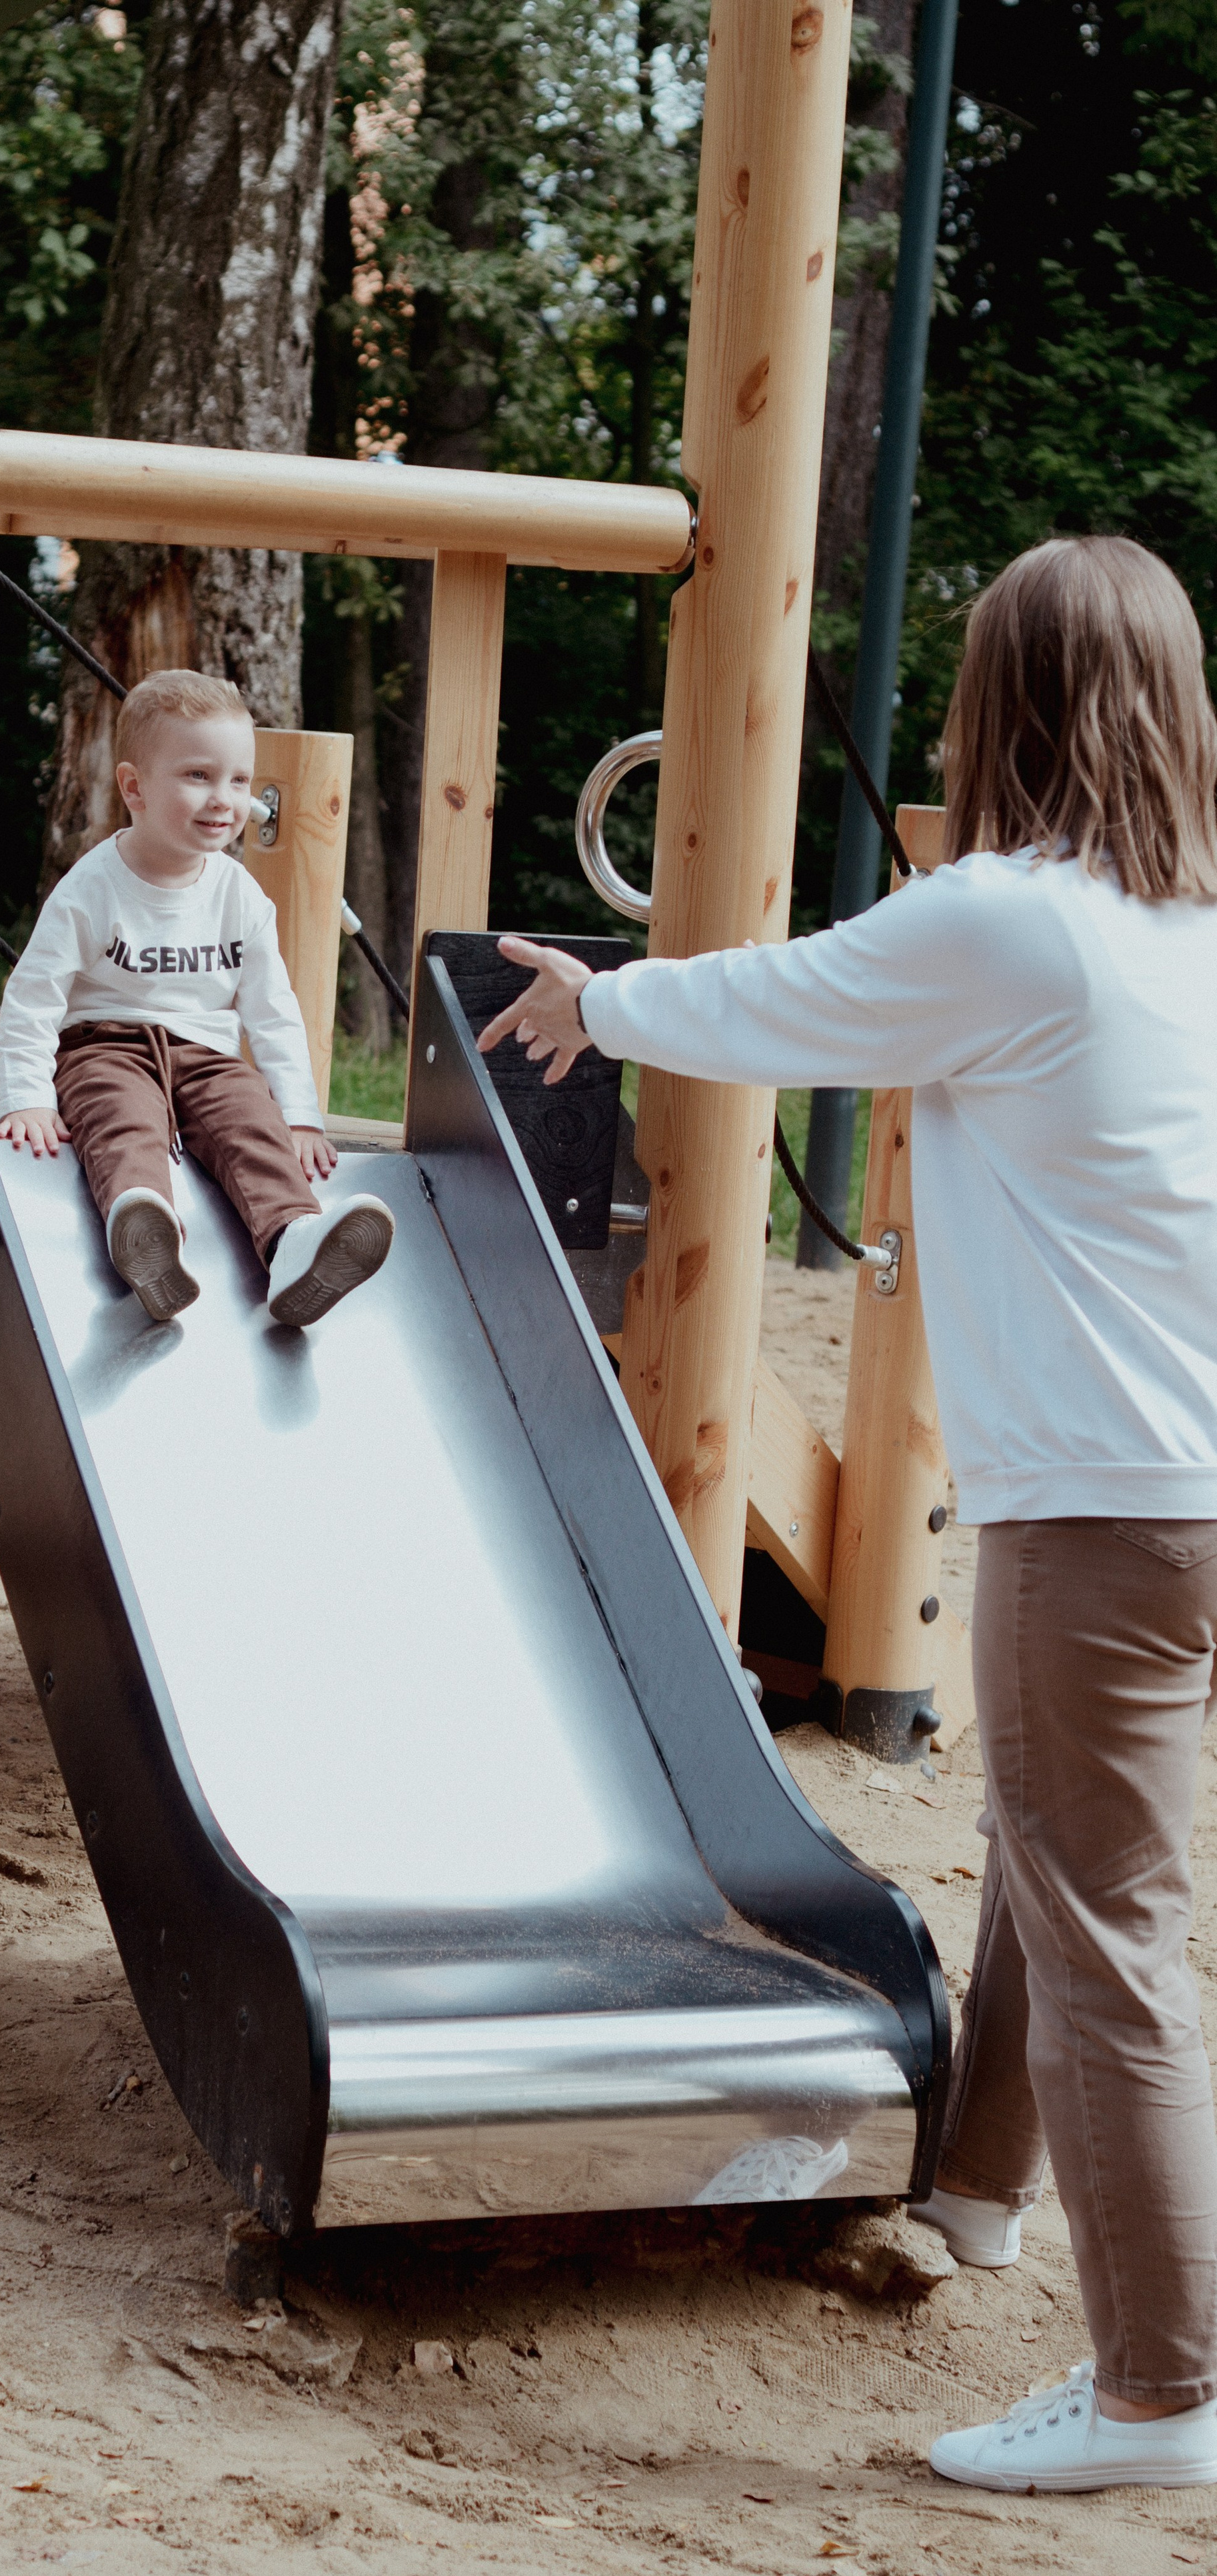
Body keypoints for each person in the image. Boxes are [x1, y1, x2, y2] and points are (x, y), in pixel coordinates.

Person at [480, 535, 1217, 2495]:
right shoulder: (1185, 930)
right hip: (1193, 1494)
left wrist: (602, 1000)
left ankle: (1159, 2386)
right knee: (1057, 1847)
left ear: (1003, 707)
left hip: (1107, 1512)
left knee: (1106, 1921)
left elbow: (793, 1003)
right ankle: (974, 2188)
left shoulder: (1010, 922)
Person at [0, 668, 393, 1329]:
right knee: (122, 1119)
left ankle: (294, 1244)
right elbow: (34, 998)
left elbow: (271, 1013)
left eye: (239, 780)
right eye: (197, 776)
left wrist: (299, 1115)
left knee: (249, 1120)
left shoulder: (239, 896)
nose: (224, 799)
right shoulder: (92, 888)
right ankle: (148, 1234)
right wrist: (26, 1097)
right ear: (134, 788)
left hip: (206, 1053)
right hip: (105, 1046)